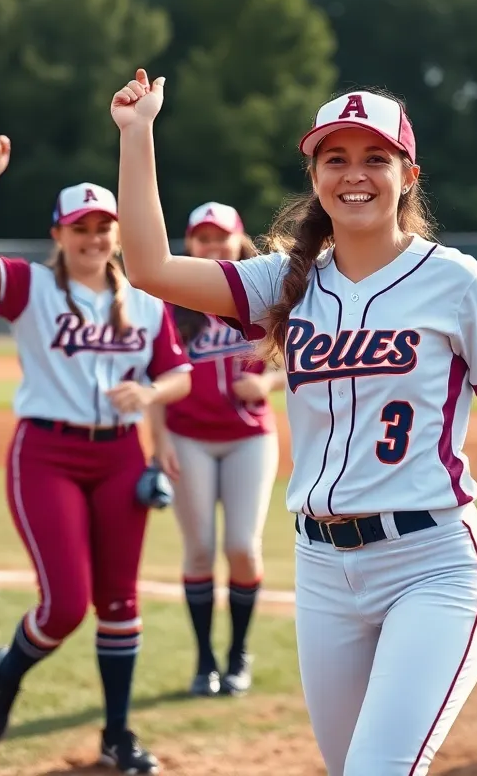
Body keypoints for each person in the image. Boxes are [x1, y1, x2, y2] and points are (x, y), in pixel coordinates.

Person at [105, 68, 477, 776]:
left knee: (378, 769)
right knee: (349, 766)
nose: (355, 175)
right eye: (336, 158)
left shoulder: (456, 281)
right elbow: (145, 268)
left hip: (432, 563)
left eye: (375, 158)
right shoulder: (283, 282)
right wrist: (138, 136)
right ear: (315, 173)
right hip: (323, 570)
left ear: (408, 173)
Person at [0, 135, 194, 775]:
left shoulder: (145, 297)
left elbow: (181, 374)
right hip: (47, 453)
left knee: (120, 602)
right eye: (81, 228)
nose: (94, 238)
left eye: (104, 227)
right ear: (59, 233)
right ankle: (9, 669)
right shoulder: (28, 286)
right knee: (64, 605)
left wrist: (152, 390)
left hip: (118, 458)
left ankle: (116, 736)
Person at [148, 200, 285, 698]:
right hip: (188, 436)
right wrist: (158, 442)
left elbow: (307, 353)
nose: (211, 245)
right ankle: (205, 658)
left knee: (242, 548)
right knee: (201, 548)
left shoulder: (263, 290)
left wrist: (269, 382)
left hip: (249, 434)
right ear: (190, 244)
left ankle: (238, 654)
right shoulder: (170, 299)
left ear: (238, 239)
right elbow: (156, 376)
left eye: (219, 236)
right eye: (202, 237)